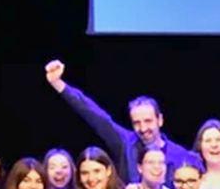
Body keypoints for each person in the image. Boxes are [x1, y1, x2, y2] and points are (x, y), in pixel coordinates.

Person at [43, 59, 197, 177]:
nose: (143, 129)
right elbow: (93, 114)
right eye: (137, 123)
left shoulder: (181, 156)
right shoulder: (126, 143)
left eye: (148, 121)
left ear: (160, 120)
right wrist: (58, 83)